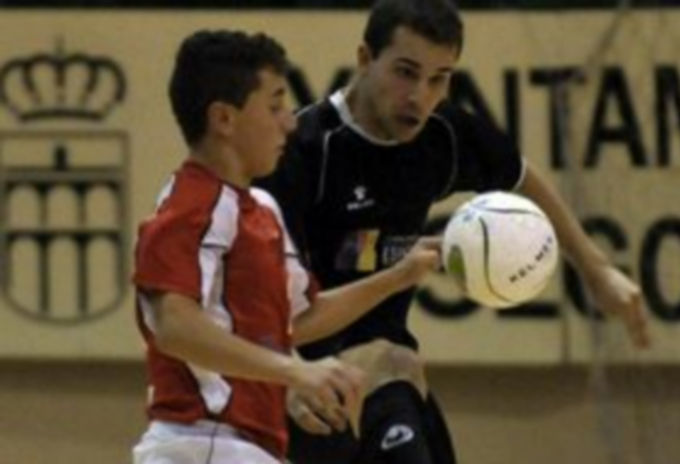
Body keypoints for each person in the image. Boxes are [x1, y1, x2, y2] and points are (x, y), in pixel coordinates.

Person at [256, 0, 651, 462]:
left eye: (439, 78)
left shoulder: (440, 135)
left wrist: (596, 269)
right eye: (406, 72)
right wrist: (291, 373)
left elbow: (520, 176)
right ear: (364, 58)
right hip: (308, 386)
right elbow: (263, 309)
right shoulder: (306, 153)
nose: (419, 96)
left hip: (388, 371)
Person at [130, 29, 441, 464]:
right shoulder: (191, 205)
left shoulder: (262, 209)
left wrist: (399, 276)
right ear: (224, 119)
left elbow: (298, 321)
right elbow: (175, 327)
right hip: (199, 443)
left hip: (248, 448)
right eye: (275, 105)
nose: (290, 122)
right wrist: (295, 370)